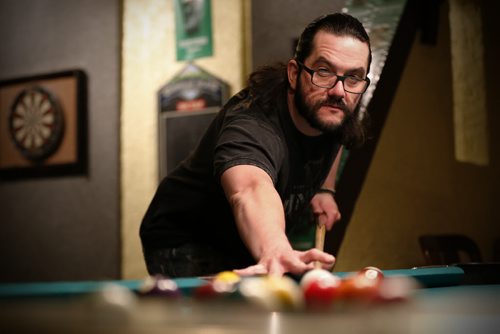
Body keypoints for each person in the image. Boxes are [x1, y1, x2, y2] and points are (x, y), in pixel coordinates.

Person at [140, 12, 372, 278]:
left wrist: (324, 189)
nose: (339, 91)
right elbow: (250, 189)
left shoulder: (336, 105)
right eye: (323, 71)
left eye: (353, 77)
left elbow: (336, 132)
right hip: (187, 238)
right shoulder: (253, 123)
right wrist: (275, 247)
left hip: (242, 239)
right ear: (295, 73)